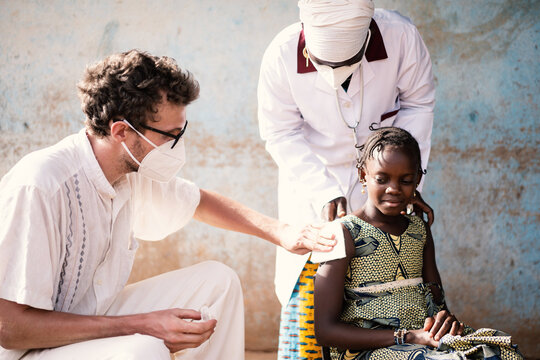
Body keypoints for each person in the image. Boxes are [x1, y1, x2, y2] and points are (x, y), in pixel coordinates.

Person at [0, 49, 337, 360]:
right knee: (143, 348)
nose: (176, 146)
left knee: (216, 284)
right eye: (169, 136)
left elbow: (199, 201)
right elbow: (11, 328)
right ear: (121, 131)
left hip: (90, 319)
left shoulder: (130, 169)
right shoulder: (41, 185)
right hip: (30, 351)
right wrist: (141, 323)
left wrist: (283, 232)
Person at [257, 0, 434, 357]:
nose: (333, 70)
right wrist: (323, 190)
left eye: (344, 62)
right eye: (325, 63)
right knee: (312, 300)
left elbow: (419, 103)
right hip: (312, 181)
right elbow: (280, 133)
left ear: (367, 37)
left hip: (385, 177)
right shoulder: (281, 54)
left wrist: (404, 181)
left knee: (388, 293)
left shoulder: (401, 37)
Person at [313, 127, 523, 359]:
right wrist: (407, 336)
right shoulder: (344, 233)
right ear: (364, 175)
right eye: (382, 179)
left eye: (405, 180)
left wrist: (444, 321)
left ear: (417, 180)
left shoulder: (419, 229)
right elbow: (325, 331)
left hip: (423, 341)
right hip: (368, 350)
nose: (393, 188)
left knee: (500, 353)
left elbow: (436, 302)